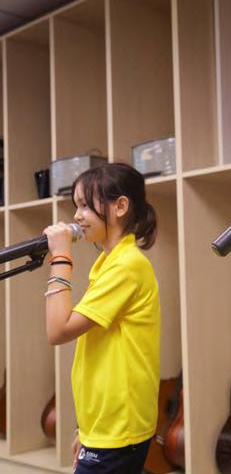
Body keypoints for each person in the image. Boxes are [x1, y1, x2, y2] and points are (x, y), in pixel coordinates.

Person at [43, 162, 160, 473]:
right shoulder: (109, 264)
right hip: (106, 425)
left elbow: (58, 330)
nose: (77, 216)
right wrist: (87, 429)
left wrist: (60, 257)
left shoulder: (127, 266)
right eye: (76, 206)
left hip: (119, 426)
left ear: (120, 206)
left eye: (85, 205)